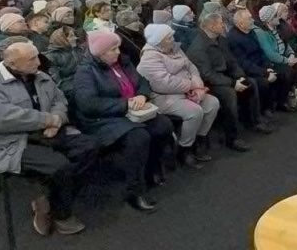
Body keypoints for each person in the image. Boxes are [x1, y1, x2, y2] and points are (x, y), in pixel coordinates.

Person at [0, 41, 97, 236]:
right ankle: (61, 214)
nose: (39, 62)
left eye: (37, 56)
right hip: (8, 142)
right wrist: (47, 120)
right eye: (31, 59)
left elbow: (59, 100)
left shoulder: (40, 76)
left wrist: (57, 120)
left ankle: (49, 196)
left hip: (47, 133)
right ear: (12, 64)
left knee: (90, 146)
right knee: (59, 166)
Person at [73, 31, 172, 213]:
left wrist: (142, 94)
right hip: (104, 118)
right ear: (100, 53)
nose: (118, 51)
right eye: (113, 49)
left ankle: (151, 167)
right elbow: (88, 104)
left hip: (132, 111)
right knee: (138, 137)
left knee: (163, 125)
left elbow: (142, 81)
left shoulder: (123, 63)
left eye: (117, 47)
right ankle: (133, 190)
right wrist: (125, 104)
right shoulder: (86, 72)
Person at [136, 24, 218, 167]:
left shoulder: (175, 48)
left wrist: (198, 86)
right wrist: (192, 86)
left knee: (212, 103)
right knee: (194, 111)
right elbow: (163, 83)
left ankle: (199, 137)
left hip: (188, 89)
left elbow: (191, 67)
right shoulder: (149, 57)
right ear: (159, 41)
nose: (173, 39)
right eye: (169, 38)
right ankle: (185, 148)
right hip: (165, 96)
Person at [186, 13, 254, 152]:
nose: (223, 25)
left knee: (250, 83)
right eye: (220, 23)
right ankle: (232, 138)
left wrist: (239, 76)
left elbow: (231, 61)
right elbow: (208, 74)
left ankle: (251, 120)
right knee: (229, 95)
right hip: (207, 83)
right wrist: (233, 83)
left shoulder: (220, 39)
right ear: (211, 26)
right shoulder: (198, 48)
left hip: (223, 75)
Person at [226, 10, 278, 132]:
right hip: (246, 71)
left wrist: (267, 67)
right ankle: (256, 118)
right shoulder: (233, 38)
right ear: (240, 23)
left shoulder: (250, 32)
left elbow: (261, 52)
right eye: (249, 19)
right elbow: (243, 63)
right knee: (261, 83)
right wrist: (264, 72)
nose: (253, 20)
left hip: (258, 66)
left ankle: (266, 108)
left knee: (277, 72)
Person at [45, 26, 83, 100]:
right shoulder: (51, 57)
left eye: (75, 35)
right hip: (69, 91)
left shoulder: (78, 50)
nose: (75, 38)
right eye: (71, 36)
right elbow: (57, 82)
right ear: (62, 39)